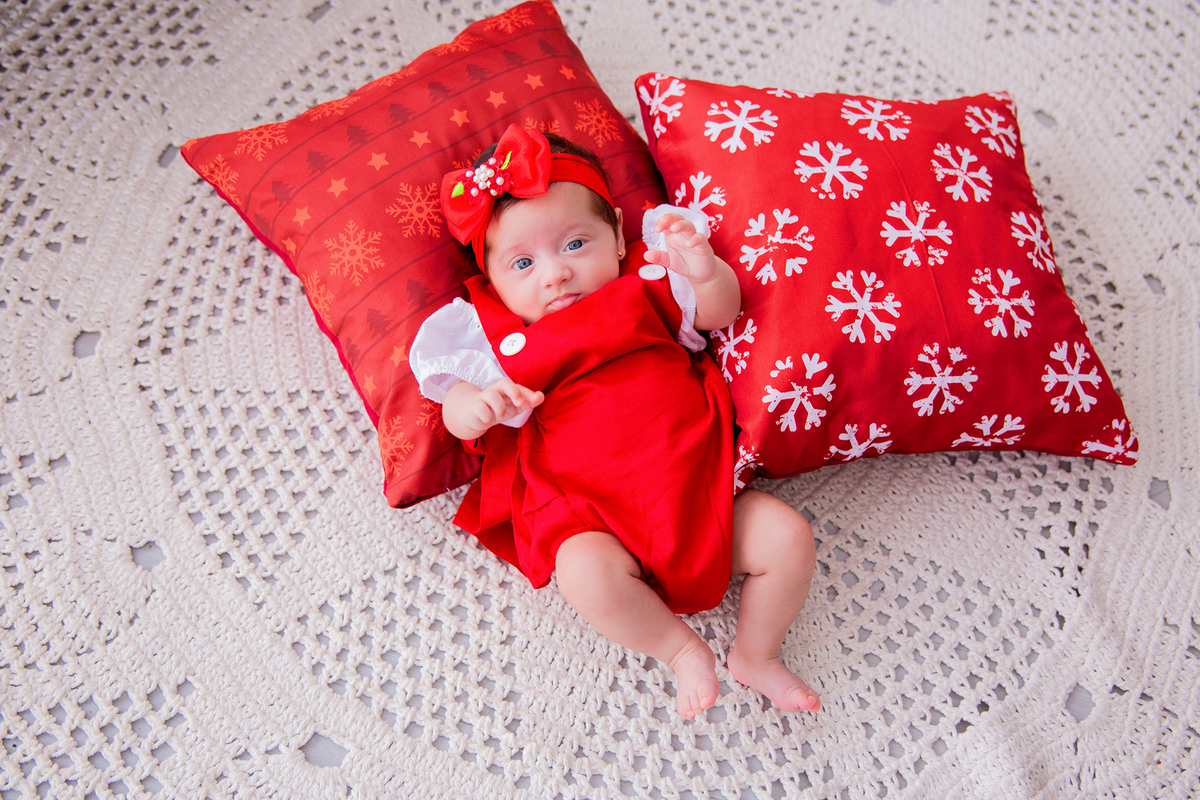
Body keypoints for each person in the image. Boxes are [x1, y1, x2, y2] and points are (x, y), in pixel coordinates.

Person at [410, 124, 820, 719]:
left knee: (788, 538)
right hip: (594, 516)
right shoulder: (491, 337)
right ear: (493, 281)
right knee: (584, 575)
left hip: (702, 492)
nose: (554, 275)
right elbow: (451, 400)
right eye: (523, 263)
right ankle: (680, 650)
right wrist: (474, 406)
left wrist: (704, 271)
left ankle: (758, 652)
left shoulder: (649, 287)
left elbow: (720, 311)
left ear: (619, 236)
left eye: (575, 245)